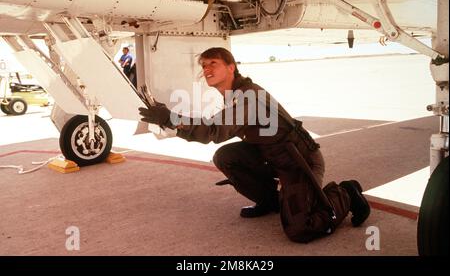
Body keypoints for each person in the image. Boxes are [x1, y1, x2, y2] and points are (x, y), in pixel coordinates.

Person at [138, 47, 370, 243]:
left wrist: (170, 119)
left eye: (213, 63)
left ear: (231, 67)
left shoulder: (248, 96)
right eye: (204, 65)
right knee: (226, 156)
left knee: (301, 229)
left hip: (298, 162)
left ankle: (345, 193)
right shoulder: (235, 95)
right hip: (272, 156)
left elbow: (215, 131)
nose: (206, 69)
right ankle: (271, 202)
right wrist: (169, 118)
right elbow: (212, 125)